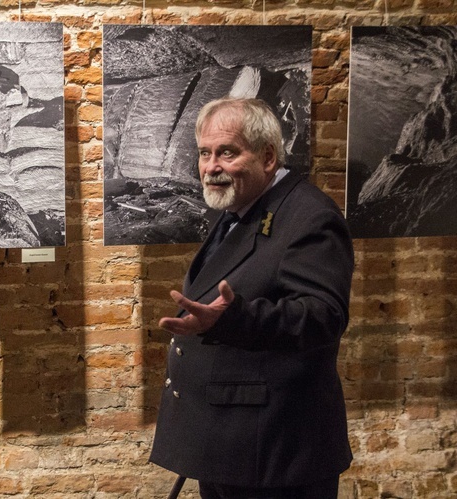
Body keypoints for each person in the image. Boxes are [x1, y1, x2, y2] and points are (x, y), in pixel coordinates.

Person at [150, 97, 354, 499]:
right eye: (205, 153)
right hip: (231, 444)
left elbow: (324, 315)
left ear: (267, 157)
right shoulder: (240, 208)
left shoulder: (311, 216)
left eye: (227, 152)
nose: (211, 167)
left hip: (275, 455)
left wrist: (232, 319)